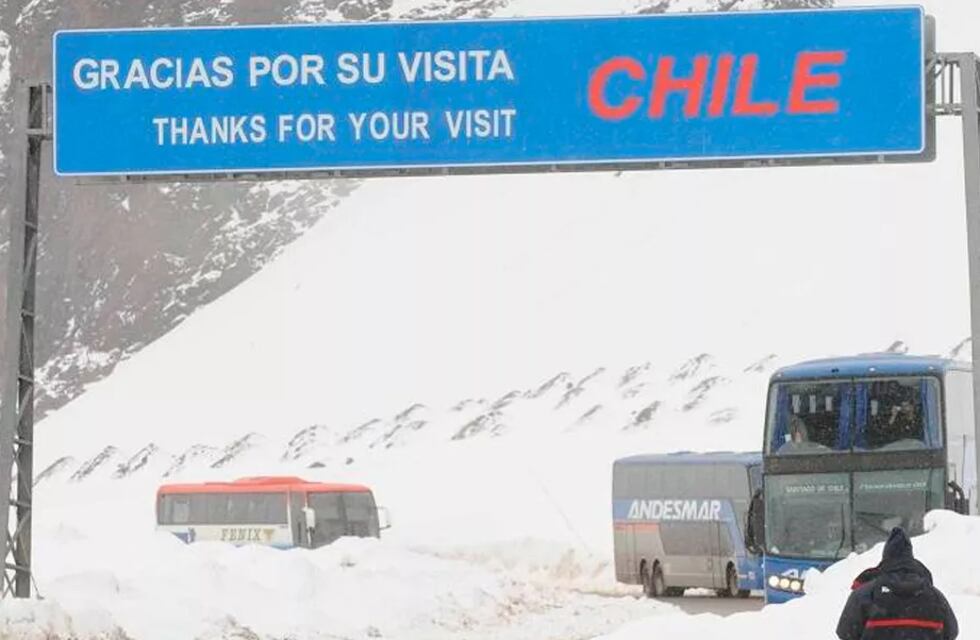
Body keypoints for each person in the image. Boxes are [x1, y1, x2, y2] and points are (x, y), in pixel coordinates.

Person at [836, 527, 958, 640]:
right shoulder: (935, 596)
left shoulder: (865, 594)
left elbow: (845, 633)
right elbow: (952, 632)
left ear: (886, 557)